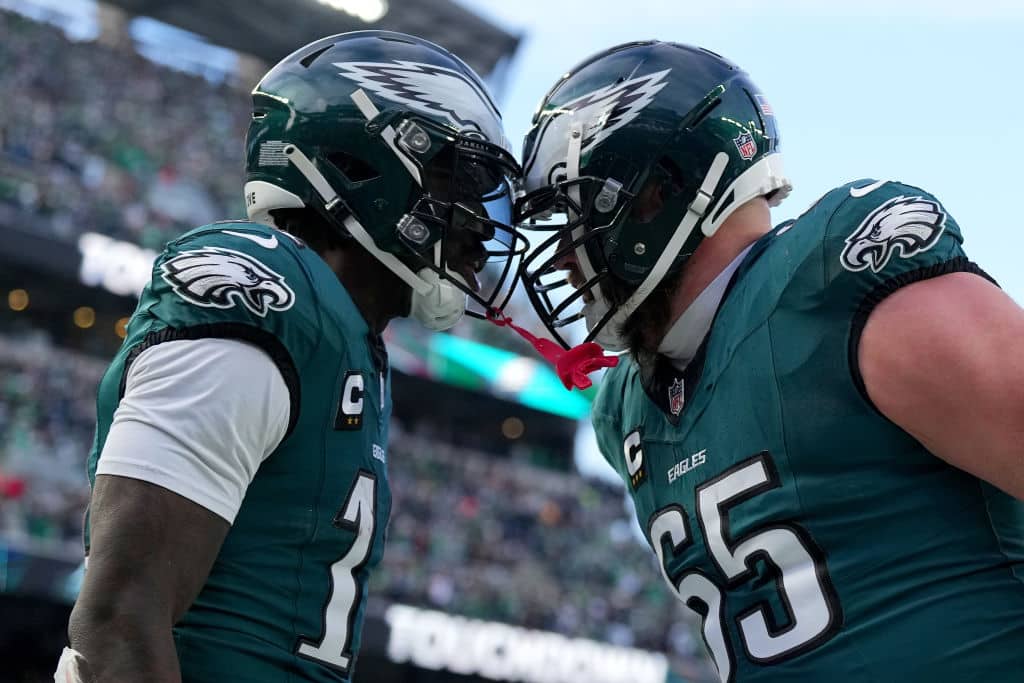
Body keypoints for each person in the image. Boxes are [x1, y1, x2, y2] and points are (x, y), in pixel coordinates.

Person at [514, 40, 1024, 682]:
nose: (560, 254)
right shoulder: (628, 410)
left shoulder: (833, 281)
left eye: (575, 214)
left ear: (653, 196)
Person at [57, 30, 523, 683]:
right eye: (459, 186)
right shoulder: (267, 289)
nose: (477, 224)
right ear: (365, 163)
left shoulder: (350, 338)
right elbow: (119, 616)